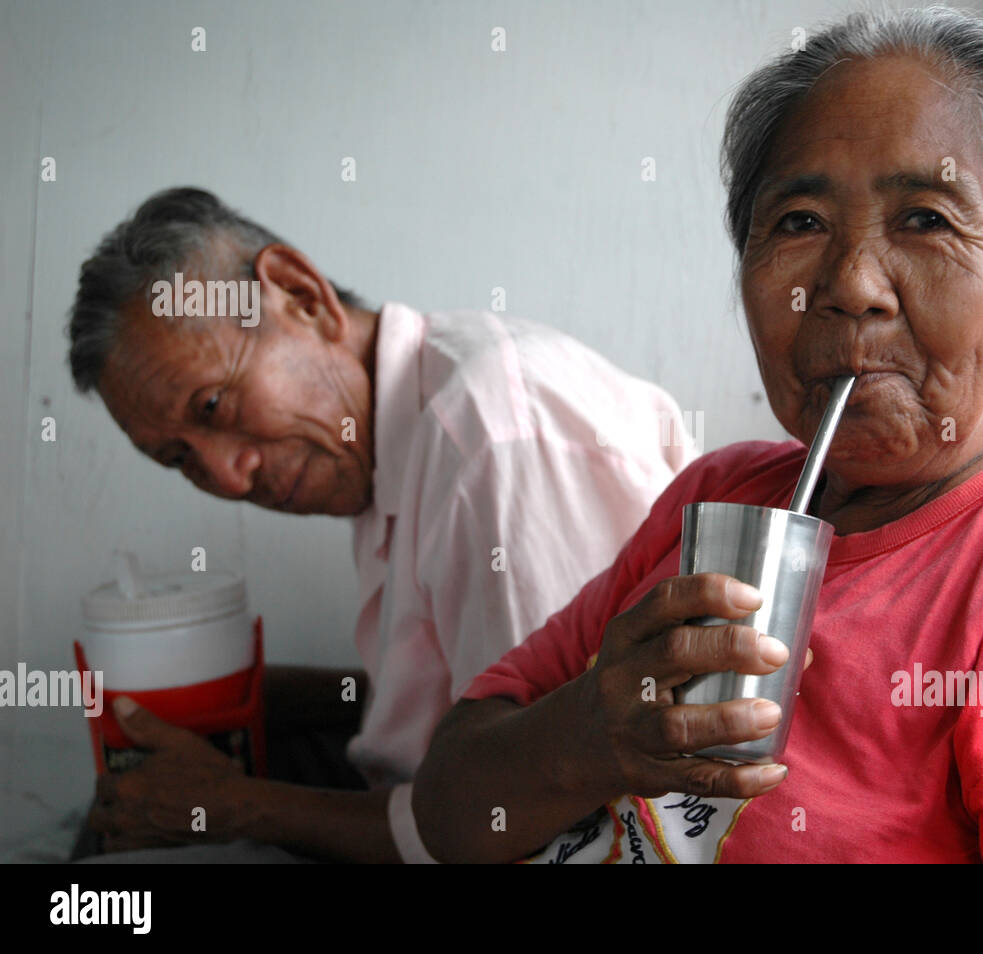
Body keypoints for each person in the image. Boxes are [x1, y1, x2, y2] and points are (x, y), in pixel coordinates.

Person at [409, 7, 983, 863]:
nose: (851, 286)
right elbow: (451, 808)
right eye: (799, 223)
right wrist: (586, 736)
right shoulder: (718, 496)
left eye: (926, 219)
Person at [65, 187, 696, 862]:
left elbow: (546, 799)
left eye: (214, 405)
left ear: (300, 294)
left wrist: (235, 807)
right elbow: (480, 692)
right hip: (470, 795)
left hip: (558, 829)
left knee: (125, 853)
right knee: (133, 805)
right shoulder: (389, 437)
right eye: (178, 458)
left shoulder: (490, 441)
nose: (225, 477)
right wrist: (256, 696)